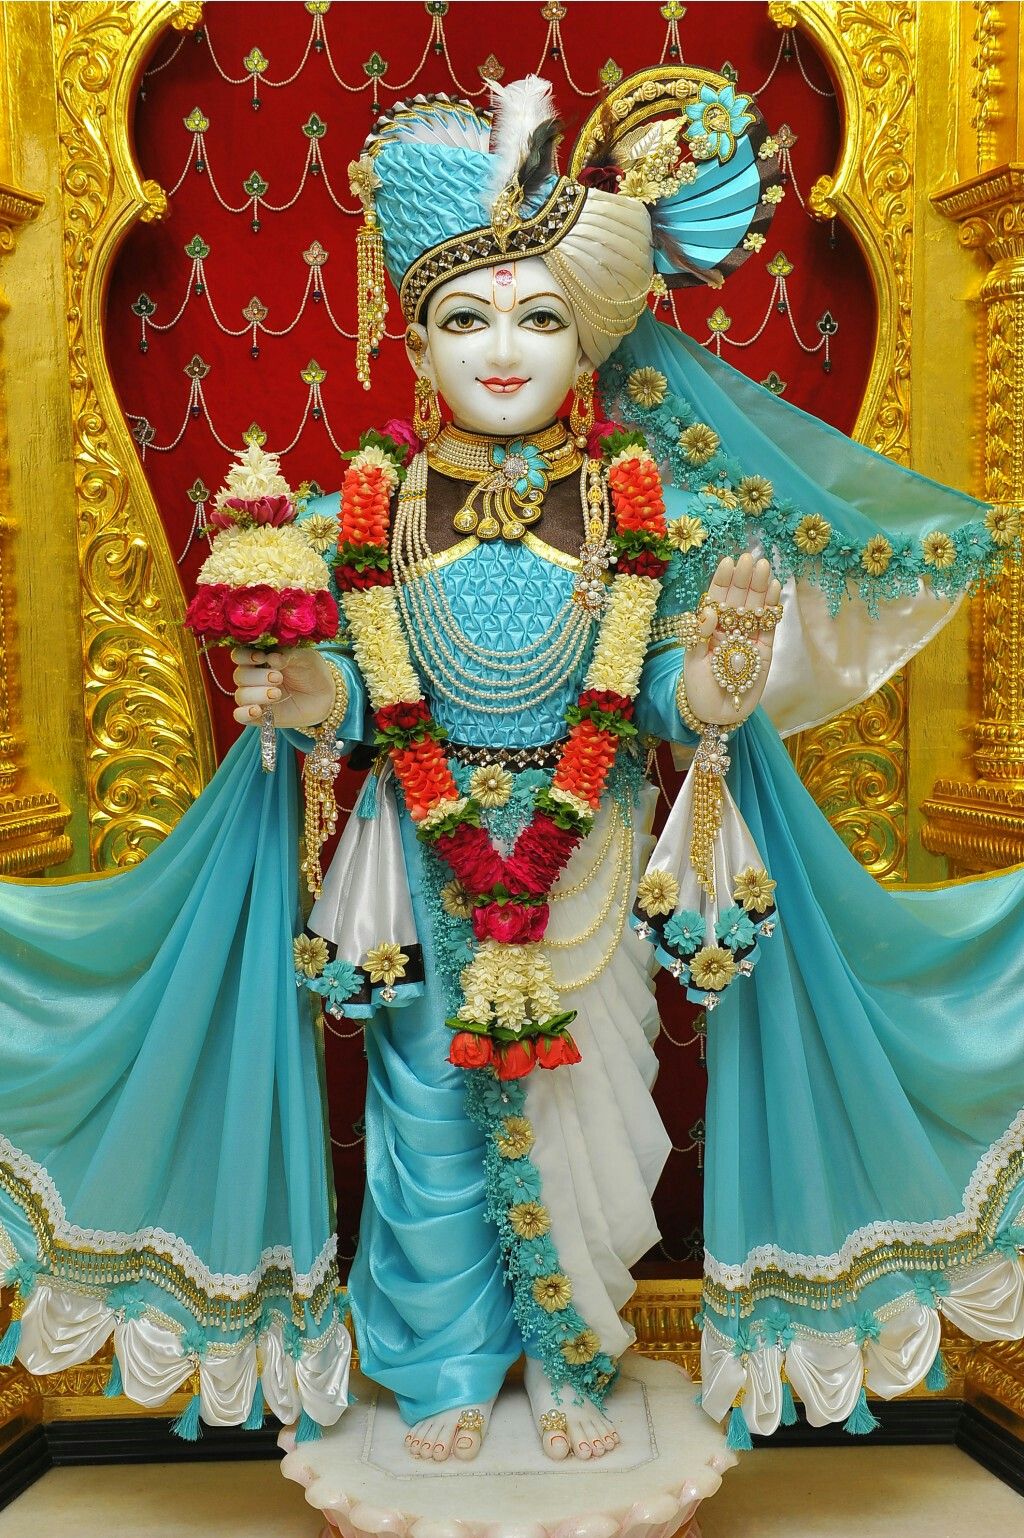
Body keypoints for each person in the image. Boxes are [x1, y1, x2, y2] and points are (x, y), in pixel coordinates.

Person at [1, 66, 1022, 1466]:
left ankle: (575, 1357)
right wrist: (302, 689)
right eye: (464, 317)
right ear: (412, 339)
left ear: (590, 341)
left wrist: (717, 679)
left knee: (591, 1122)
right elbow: (358, 686)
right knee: (429, 1125)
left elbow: (663, 688)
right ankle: (445, 1369)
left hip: (587, 863)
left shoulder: (636, 508)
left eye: (540, 317)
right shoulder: (359, 507)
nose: (502, 349)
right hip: (422, 868)